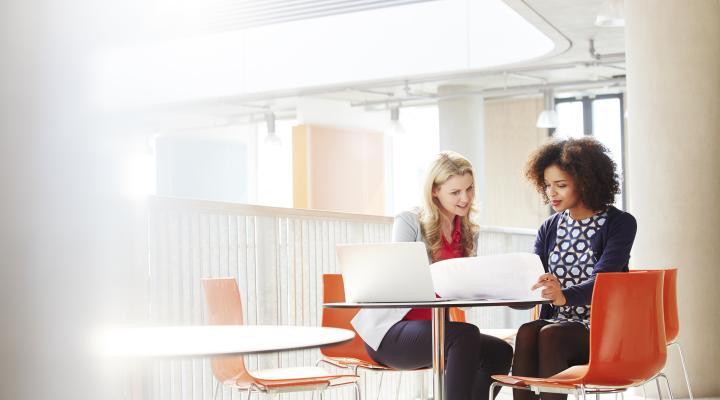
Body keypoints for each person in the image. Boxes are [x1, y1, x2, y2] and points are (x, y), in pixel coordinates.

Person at [351, 151, 513, 400]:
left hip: (438, 331)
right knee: (464, 335)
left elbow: (465, 289)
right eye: (455, 192)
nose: (465, 198)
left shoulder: (469, 231)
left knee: (500, 351)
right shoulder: (409, 221)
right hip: (391, 332)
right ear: (435, 191)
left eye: (469, 189)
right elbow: (398, 277)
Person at [511, 138, 637, 400]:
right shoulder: (550, 227)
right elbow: (536, 280)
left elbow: (605, 281)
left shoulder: (619, 223)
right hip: (558, 323)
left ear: (586, 182)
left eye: (561, 185)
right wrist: (512, 290)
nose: (551, 193)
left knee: (551, 334)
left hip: (603, 329)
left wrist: (563, 295)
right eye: (547, 186)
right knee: (527, 331)